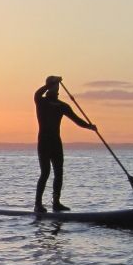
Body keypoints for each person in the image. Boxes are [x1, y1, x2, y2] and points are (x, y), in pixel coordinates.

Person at [34, 75, 94, 213]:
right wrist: (51, 83)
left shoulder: (62, 106)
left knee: (59, 173)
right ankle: (38, 205)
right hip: (44, 142)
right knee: (45, 173)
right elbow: (37, 93)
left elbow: (77, 120)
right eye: (54, 85)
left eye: (57, 85)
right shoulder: (41, 101)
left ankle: (56, 203)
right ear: (49, 85)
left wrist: (89, 126)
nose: (57, 87)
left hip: (56, 142)